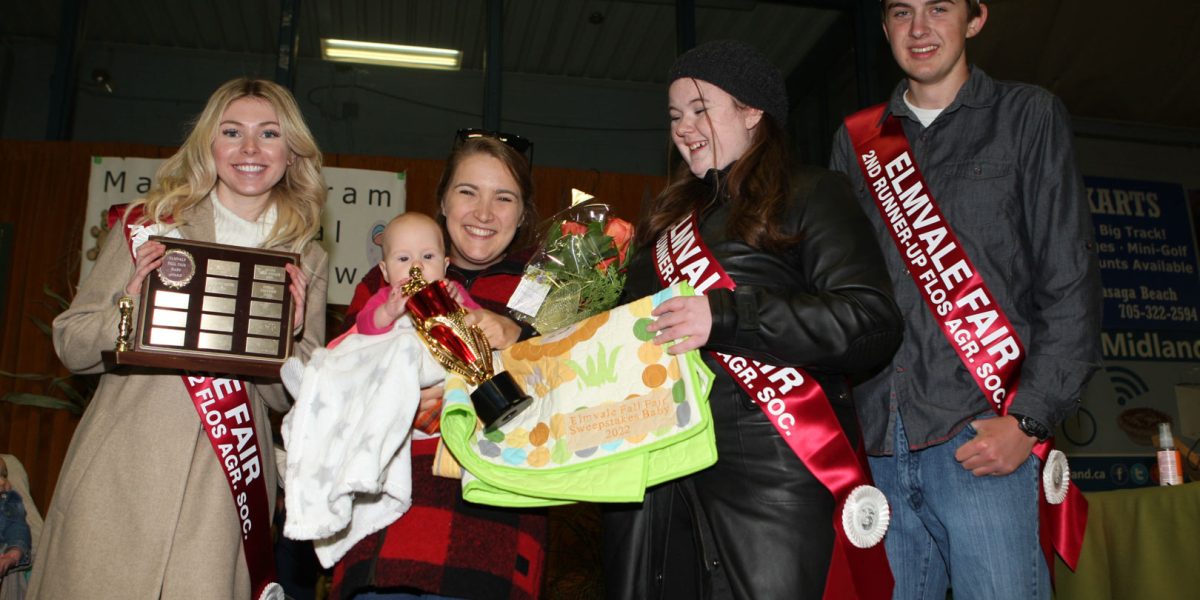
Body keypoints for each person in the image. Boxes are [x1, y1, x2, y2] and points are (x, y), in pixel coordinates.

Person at [603, 40, 904, 599]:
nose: (685, 127)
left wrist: (725, 315)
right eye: (675, 116)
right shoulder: (662, 224)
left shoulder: (812, 191)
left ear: (752, 111)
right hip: (660, 479)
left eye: (700, 108)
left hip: (768, 473)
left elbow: (871, 320)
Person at [829, 1, 1102, 598]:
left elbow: (1068, 279)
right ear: (883, 29)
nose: (919, 28)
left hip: (981, 433)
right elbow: (840, 291)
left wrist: (1029, 421)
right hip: (878, 438)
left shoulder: (1027, 115)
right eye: (901, 12)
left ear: (975, 19)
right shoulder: (857, 141)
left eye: (938, 8)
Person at [31, 78, 329, 599]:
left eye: (269, 134)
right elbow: (71, 344)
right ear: (209, 143)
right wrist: (129, 304)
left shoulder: (307, 257)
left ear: (292, 153)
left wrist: (291, 336)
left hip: (224, 494)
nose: (250, 150)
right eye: (232, 132)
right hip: (122, 471)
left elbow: (290, 400)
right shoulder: (150, 225)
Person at [333, 133, 546, 600]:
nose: (484, 213)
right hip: (384, 539)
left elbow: (569, 403)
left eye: (503, 197)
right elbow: (339, 380)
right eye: (468, 191)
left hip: (493, 535)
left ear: (523, 212)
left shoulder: (547, 287)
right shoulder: (385, 282)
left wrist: (520, 338)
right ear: (443, 201)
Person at [357, 212, 479, 337]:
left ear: (445, 266)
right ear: (385, 271)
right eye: (404, 258)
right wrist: (388, 313)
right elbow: (362, 327)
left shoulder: (454, 292)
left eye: (428, 256)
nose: (416, 266)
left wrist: (458, 304)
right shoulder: (387, 298)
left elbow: (481, 323)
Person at [0, 457, 32, 584]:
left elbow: (17, 527)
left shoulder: (8, 502)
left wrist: (13, 553)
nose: (2, 481)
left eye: (4, 475)